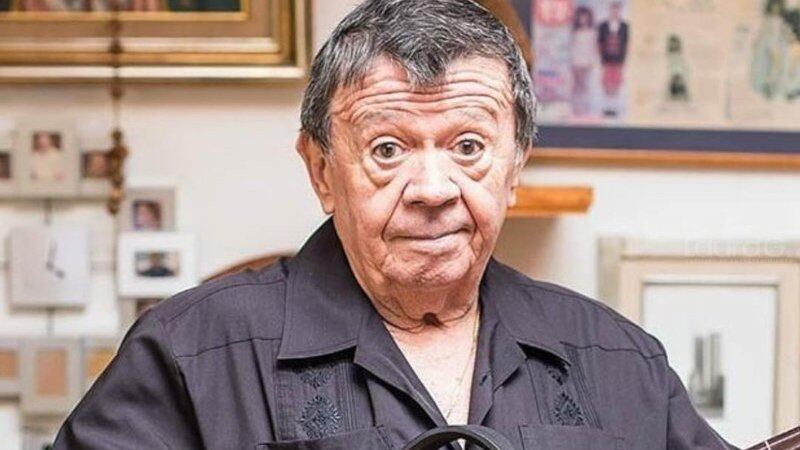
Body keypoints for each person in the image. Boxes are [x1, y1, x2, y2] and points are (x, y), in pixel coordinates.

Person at [52, 0, 735, 448]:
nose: (433, 189)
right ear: (322, 170)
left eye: (469, 146)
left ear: (514, 166)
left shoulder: (618, 358)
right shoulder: (192, 351)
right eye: (387, 150)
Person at [597, 1, 629, 117]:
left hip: (618, 60)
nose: (615, 12)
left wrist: (623, 59)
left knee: (617, 85)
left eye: (617, 10)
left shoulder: (625, 26)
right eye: (613, 9)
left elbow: (626, 43)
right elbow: (599, 43)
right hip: (606, 59)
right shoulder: (603, 25)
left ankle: (615, 108)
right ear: (609, 10)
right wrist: (601, 58)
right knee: (606, 84)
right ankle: (606, 108)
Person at [570, 6, 598, 116]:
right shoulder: (575, 32)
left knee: (584, 84)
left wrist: (591, 61)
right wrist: (572, 60)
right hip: (576, 60)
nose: (583, 20)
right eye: (581, 17)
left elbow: (593, 48)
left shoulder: (592, 32)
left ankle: (585, 108)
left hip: (586, 61)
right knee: (576, 84)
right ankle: (575, 107)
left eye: (585, 18)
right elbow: (572, 47)